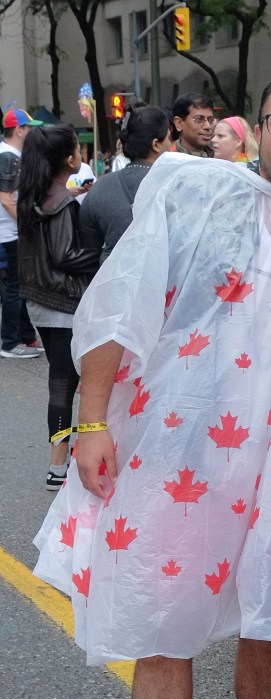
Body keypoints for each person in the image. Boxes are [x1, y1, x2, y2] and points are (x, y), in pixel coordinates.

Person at [32, 70, 271, 699]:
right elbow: (123, 305)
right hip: (181, 453)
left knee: (267, 630)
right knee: (162, 627)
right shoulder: (205, 193)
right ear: (258, 131)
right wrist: (91, 422)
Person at [17, 124, 100, 489]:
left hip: (39, 299)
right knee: (65, 383)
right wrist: (103, 252)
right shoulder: (62, 203)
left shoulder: (34, 193)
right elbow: (66, 255)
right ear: (69, 159)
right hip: (63, 303)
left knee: (60, 380)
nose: (81, 154)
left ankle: (59, 461)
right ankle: (58, 466)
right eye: (78, 149)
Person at [79, 103, 171, 263]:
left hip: (111, 275)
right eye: (168, 138)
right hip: (166, 275)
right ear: (156, 144)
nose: (171, 145)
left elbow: (88, 251)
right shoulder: (173, 184)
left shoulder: (99, 188)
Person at [0, 108, 42, 359]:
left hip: (9, 233)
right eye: (29, 128)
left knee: (18, 287)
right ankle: (10, 342)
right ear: (18, 130)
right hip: (9, 234)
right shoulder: (9, 157)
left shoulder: (8, 155)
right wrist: (28, 224)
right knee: (15, 288)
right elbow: (7, 199)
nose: (32, 132)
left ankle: (25, 337)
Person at [170, 93, 216, 157]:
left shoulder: (222, 155)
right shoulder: (169, 158)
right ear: (179, 123)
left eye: (211, 120)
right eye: (199, 119)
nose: (208, 126)